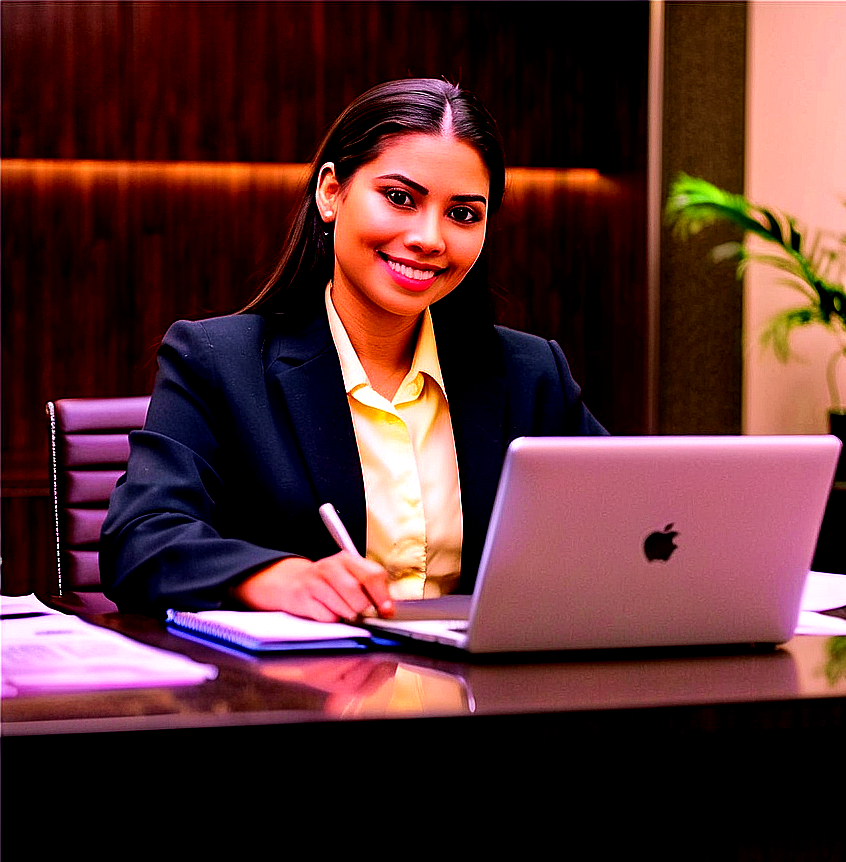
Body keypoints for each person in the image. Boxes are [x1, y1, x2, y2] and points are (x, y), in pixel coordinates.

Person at [100, 78, 608, 621]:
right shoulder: (217, 361)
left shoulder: (531, 374)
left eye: (463, 213)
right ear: (331, 193)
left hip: (482, 696)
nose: (429, 238)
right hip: (303, 695)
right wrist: (277, 578)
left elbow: (629, 526)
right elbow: (140, 540)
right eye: (400, 198)